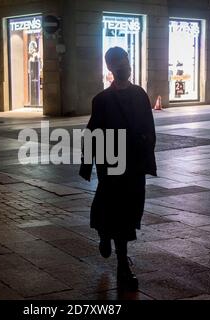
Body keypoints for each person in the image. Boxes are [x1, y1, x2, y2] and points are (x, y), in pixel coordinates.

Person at [79, 47, 157, 291]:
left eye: (126, 61)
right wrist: (89, 163)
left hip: (133, 166)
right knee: (118, 214)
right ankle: (123, 265)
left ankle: (105, 232)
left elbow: (149, 128)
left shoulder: (140, 95)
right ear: (111, 68)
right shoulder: (102, 100)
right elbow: (92, 133)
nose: (125, 66)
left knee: (131, 212)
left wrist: (145, 151)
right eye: (119, 63)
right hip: (112, 166)